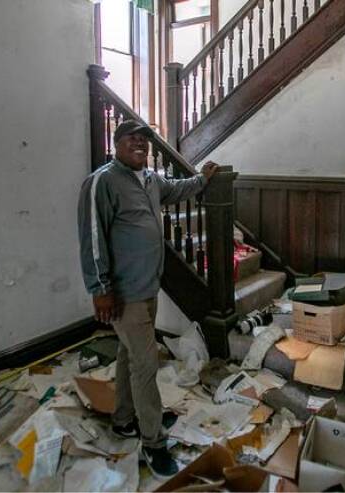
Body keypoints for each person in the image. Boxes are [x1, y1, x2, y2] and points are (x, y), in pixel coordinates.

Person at [77, 120, 217, 478]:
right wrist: (100, 289)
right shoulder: (102, 181)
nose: (140, 144)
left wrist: (202, 179)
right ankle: (153, 443)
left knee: (129, 355)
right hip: (123, 291)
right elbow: (92, 238)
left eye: (145, 141)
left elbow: (178, 189)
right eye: (133, 139)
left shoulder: (152, 180)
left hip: (147, 286)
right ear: (117, 144)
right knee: (146, 364)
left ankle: (124, 420)